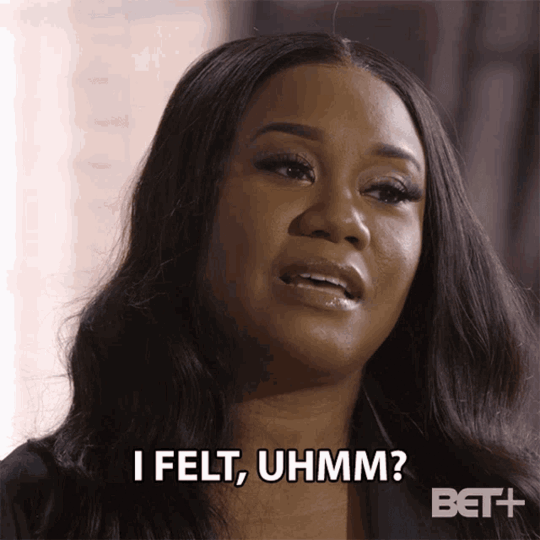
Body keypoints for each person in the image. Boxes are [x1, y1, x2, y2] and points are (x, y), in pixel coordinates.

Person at [0, 32, 538, 540]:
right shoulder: (38, 510)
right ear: (188, 201)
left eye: (388, 190)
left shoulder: (499, 517)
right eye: (290, 167)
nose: (341, 219)